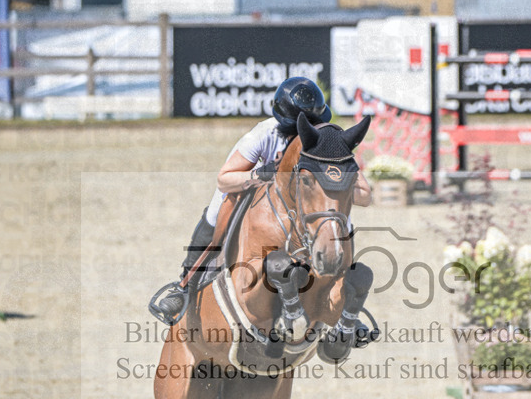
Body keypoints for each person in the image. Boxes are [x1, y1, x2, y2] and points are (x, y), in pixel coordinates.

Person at [156, 76, 372, 323]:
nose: (304, 135)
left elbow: (365, 196)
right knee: (217, 210)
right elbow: (224, 179)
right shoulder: (265, 132)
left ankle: (346, 308)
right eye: (300, 128)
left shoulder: (327, 142)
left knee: (339, 217)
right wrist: (257, 174)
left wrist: (336, 188)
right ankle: (186, 285)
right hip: (257, 192)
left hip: (309, 205)